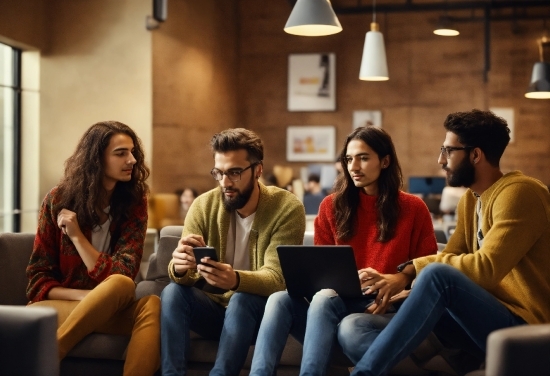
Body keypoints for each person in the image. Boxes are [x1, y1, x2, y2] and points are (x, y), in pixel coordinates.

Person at [340, 109, 550, 376]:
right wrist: (403, 286)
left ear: (475, 155)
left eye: (449, 151)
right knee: (355, 325)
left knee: (439, 275)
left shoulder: (521, 192)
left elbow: (484, 269)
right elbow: (450, 256)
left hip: (523, 323)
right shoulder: (471, 200)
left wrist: (409, 271)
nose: (441, 160)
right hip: (473, 319)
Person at [249, 126, 437, 376]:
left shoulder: (413, 208)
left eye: (363, 158)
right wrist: (342, 281)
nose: (354, 166)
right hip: (337, 302)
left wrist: (397, 285)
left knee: (325, 301)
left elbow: (429, 268)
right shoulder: (331, 206)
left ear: (385, 161)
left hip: (385, 308)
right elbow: (320, 270)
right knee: (279, 299)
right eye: (349, 159)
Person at [160, 128, 306, 375]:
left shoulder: (286, 208)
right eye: (219, 173)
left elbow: (278, 278)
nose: (225, 182)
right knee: (172, 292)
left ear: (257, 170)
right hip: (214, 311)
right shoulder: (203, 205)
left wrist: (236, 280)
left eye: (235, 173)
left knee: (242, 297)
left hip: (259, 315)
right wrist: (179, 266)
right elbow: (183, 275)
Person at [26, 121, 160, 375]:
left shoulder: (134, 203)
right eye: (121, 153)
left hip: (111, 303)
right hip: (58, 307)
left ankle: (50, 353)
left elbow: (125, 270)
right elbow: (38, 279)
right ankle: (52, 354)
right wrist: (94, 299)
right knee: (120, 285)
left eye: (132, 152)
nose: (131, 160)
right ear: (96, 159)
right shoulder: (58, 200)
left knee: (150, 302)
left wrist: (77, 237)